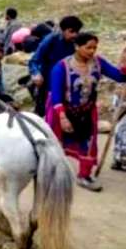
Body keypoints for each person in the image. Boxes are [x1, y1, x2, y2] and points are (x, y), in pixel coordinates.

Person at [46, 33, 126, 191]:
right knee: (56, 143)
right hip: (62, 110)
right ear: (77, 46)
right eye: (88, 47)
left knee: (88, 143)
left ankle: (84, 175)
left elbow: (119, 77)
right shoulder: (61, 67)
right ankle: (50, 172)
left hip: (87, 111)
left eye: (94, 48)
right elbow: (56, 96)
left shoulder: (98, 63)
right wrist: (62, 117)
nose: (92, 51)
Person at [29, 15, 82, 116]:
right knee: (45, 113)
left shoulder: (76, 43)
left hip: (67, 84)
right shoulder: (51, 40)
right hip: (47, 83)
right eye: (71, 32)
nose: (74, 35)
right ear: (63, 30)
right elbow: (34, 60)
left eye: (77, 32)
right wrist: (36, 73)